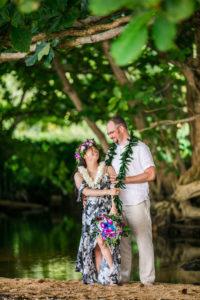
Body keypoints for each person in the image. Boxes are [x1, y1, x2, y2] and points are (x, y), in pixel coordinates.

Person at [106, 117, 156, 286]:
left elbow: (151, 174)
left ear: (121, 129)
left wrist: (124, 179)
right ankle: (123, 279)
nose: (110, 136)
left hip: (137, 202)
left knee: (143, 241)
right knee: (123, 244)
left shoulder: (140, 148)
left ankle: (147, 281)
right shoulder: (111, 152)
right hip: (118, 205)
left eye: (111, 132)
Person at [74, 139, 121, 285]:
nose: (95, 151)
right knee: (96, 248)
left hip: (107, 211)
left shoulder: (108, 169)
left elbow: (116, 189)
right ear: (84, 156)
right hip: (89, 214)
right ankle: (102, 279)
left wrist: (114, 208)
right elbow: (86, 191)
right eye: (90, 150)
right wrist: (108, 191)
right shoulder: (78, 174)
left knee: (103, 241)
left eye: (96, 149)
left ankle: (114, 273)